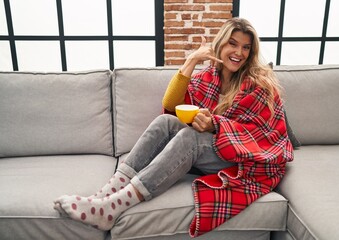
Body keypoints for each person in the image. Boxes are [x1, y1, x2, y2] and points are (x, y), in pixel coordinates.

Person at [54, 17, 294, 237]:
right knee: (164, 122)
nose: (238, 52)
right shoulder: (208, 77)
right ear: (220, 45)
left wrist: (216, 125)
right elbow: (171, 105)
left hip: (245, 161)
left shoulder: (259, 84)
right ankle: (103, 196)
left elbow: (263, 134)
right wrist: (192, 60)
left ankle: (113, 208)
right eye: (233, 43)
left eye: (245, 47)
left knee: (191, 137)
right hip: (213, 151)